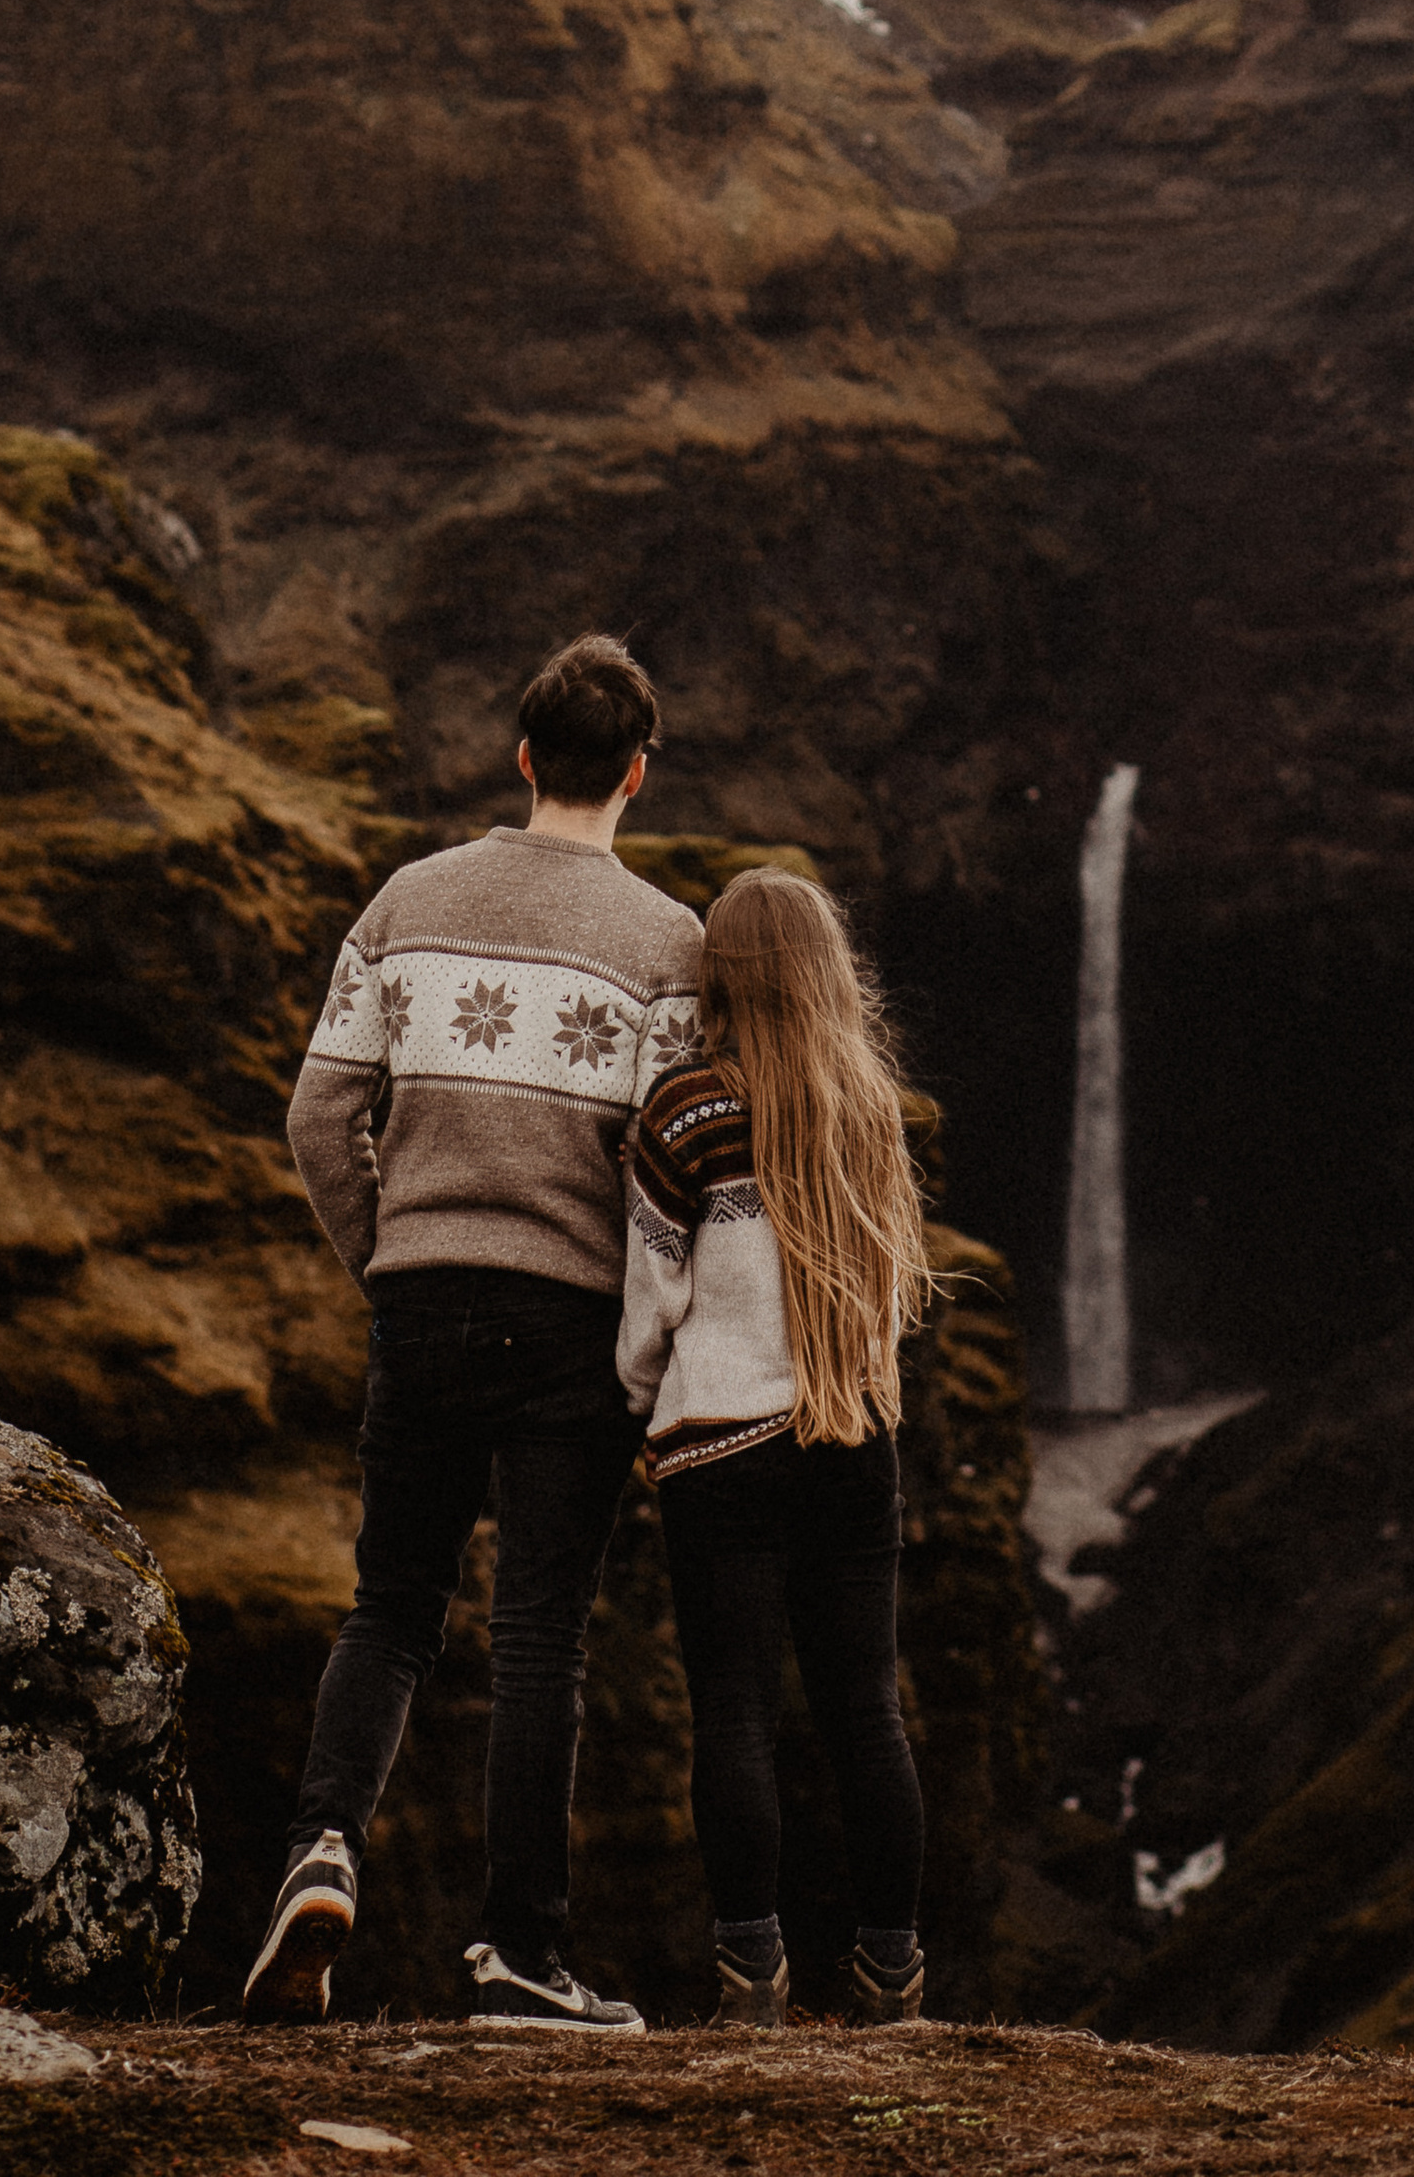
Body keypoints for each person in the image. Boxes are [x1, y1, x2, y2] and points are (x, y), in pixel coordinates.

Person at [243, 633, 704, 2033]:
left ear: (521, 758)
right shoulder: (669, 944)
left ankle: (320, 1850)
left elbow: (319, 1115)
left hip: (426, 1295)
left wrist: (386, 1256)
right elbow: (673, 1167)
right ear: (636, 770)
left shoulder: (407, 900)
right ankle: (519, 1958)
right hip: (572, 1319)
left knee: (392, 1602)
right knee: (539, 1637)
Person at [619, 864, 934, 2028]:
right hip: (854, 1442)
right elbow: (895, 1294)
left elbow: (648, 1302)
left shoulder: (684, 1109)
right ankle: (892, 1975)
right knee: (866, 1712)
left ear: (723, 979)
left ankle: (751, 1977)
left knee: (735, 1712)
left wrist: (647, 1400)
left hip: (720, 1452)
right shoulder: (868, 1109)